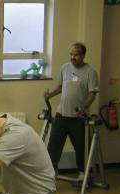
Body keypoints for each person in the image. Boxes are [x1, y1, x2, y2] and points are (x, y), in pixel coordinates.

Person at [44, 42, 99, 180]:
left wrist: (83, 108)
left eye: (76, 55)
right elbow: (60, 87)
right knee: (53, 146)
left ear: (83, 55)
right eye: (71, 54)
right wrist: (50, 94)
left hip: (78, 118)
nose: (73, 57)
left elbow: (92, 94)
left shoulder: (90, 72)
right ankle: (53, 172)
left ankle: (82, 173)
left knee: (81, 148)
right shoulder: (64, 68)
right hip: (61, 115)